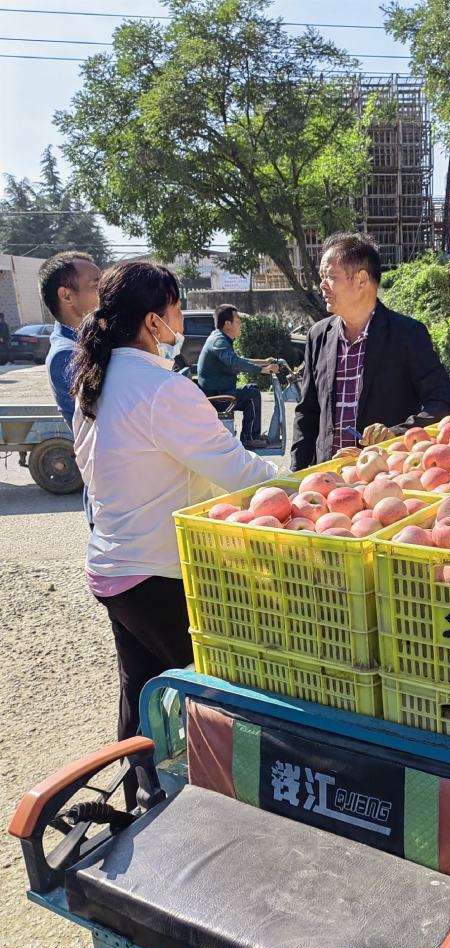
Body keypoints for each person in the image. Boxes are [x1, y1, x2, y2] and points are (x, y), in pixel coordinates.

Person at [71, 260, 276, 806]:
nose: (182, 320)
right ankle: (211, 809)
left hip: (111, 567)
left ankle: (141, 796)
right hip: (155, 571)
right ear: (153, 320)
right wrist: (306, 484)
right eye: (178, 308)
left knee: (139, 688)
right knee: (212, 691)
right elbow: (240, 472)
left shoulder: (94, 381)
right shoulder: (162, 390)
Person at [290, 232, 450, 470]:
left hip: (384, 480)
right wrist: (296, 475)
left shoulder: (407, 334)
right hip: (328, 478)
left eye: (330, 276)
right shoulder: (318, 335)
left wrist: (397, 433)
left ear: (361, 280)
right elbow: (307, 413)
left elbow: (445, 402)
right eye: (322, 277)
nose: (322, 285)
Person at [197, 304, 278, 449]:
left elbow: (237, 359)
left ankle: (252, 435)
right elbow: (234, 363)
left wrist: (263, 362)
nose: (240, 325)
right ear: (228, 324)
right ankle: (249, 438)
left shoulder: (220, 338)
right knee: (252, 394)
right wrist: (263, 370)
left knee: (252, 388)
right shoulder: (219, 341)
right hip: (217, 398)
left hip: (220, 393)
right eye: (238, 321)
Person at [39, 251, 102, 424]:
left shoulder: (88, 338)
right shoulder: (66, 355)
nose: (105, 291)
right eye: (96, 284)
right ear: (67, 296)